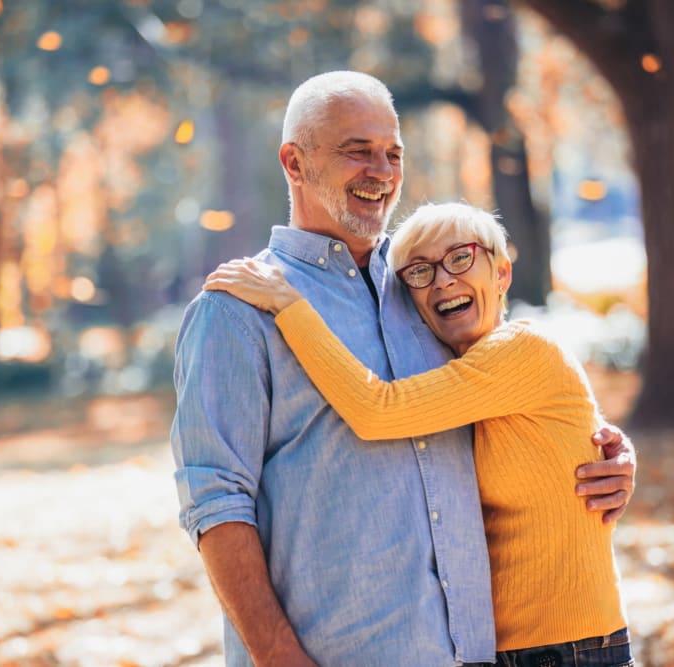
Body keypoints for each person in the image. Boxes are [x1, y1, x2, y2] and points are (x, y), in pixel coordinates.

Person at [171, 70, 636, 667]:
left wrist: (605, 457)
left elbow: (515, 404)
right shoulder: (235, 311)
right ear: (294, 161)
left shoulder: (431, 287)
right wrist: (279, 658)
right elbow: (217, 505)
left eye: (392, 154)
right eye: (356, 151)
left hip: (478, 652)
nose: (382, 172)